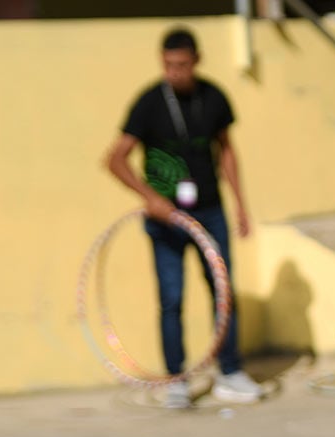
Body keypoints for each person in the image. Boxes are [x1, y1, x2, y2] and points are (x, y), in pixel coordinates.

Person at [106, 27, 263, 408]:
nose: (174, 72)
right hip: (166, 219)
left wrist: (241, 204)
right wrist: (151, 198)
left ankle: (230, 372)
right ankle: (176, 379)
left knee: (223, 291)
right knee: (171, 297)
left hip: (209, 210)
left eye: (181, 65)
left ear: (196, 61)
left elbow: (227, 151)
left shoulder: (213, 98)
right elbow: (115, 159)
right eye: (168, 65)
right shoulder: (149, 103)